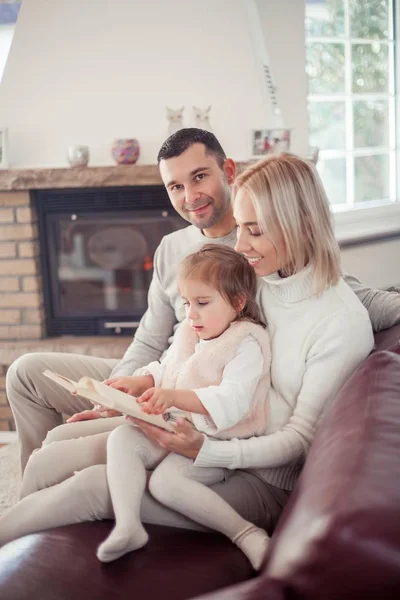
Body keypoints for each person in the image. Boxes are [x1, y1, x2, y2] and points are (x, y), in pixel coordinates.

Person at [5, 129, 400, 533]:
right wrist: (118, 394)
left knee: (92, 482)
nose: (241, 246)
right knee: (50, 444)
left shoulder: (303, 299)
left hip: (239, 453)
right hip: (196, 407)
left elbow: (350, 299)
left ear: (226, 172)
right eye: (175, 185)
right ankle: (25, 547)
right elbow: (159, 342)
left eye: (255, 230)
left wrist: (205, 448)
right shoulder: (259, 274)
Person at [74, 244, 271, 568]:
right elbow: (169, 367)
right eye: (186, 303)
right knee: (121, 437)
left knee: (166, 483)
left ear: (238, 302)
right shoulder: (193, 333)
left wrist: (174, 397)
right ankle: (128, 525)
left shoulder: (246, 342)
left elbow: (232, 401)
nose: (190, 313)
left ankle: (245, 533)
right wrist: (144, 381)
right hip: (177, 428)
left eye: (202, 303)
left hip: (218, 440)